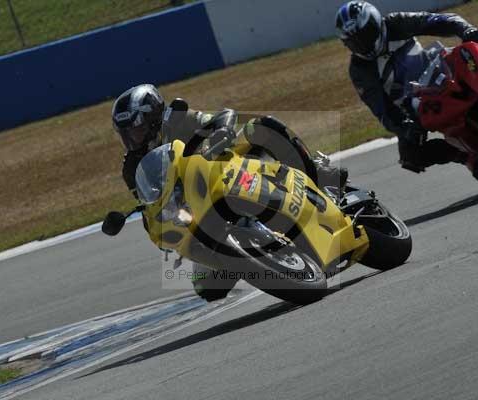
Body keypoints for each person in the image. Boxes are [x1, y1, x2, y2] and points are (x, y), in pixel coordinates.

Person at [111, 84, 348, 301]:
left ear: (153, 119)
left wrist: (222, 130)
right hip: (195, 207)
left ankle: (319, 176)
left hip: (225, 167)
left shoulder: (177, 119)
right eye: (126, 134)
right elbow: (149, 199)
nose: (131, 139)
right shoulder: (131, 166)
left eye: (136, 130)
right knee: (207, 287)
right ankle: (258, 258)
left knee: (262, 127)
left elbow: (222, 115)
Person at [335, 1, 478, 180]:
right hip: (413, 102)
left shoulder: (396, 23)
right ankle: (467, 157)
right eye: (355, 42)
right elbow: (381, 109)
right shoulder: (360, 69)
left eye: (366, 35)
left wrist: (465, 30)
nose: (363, 44)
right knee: (411, 157)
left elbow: (439, 20)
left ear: (376, 23)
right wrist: (404, 127)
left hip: (439, 66)